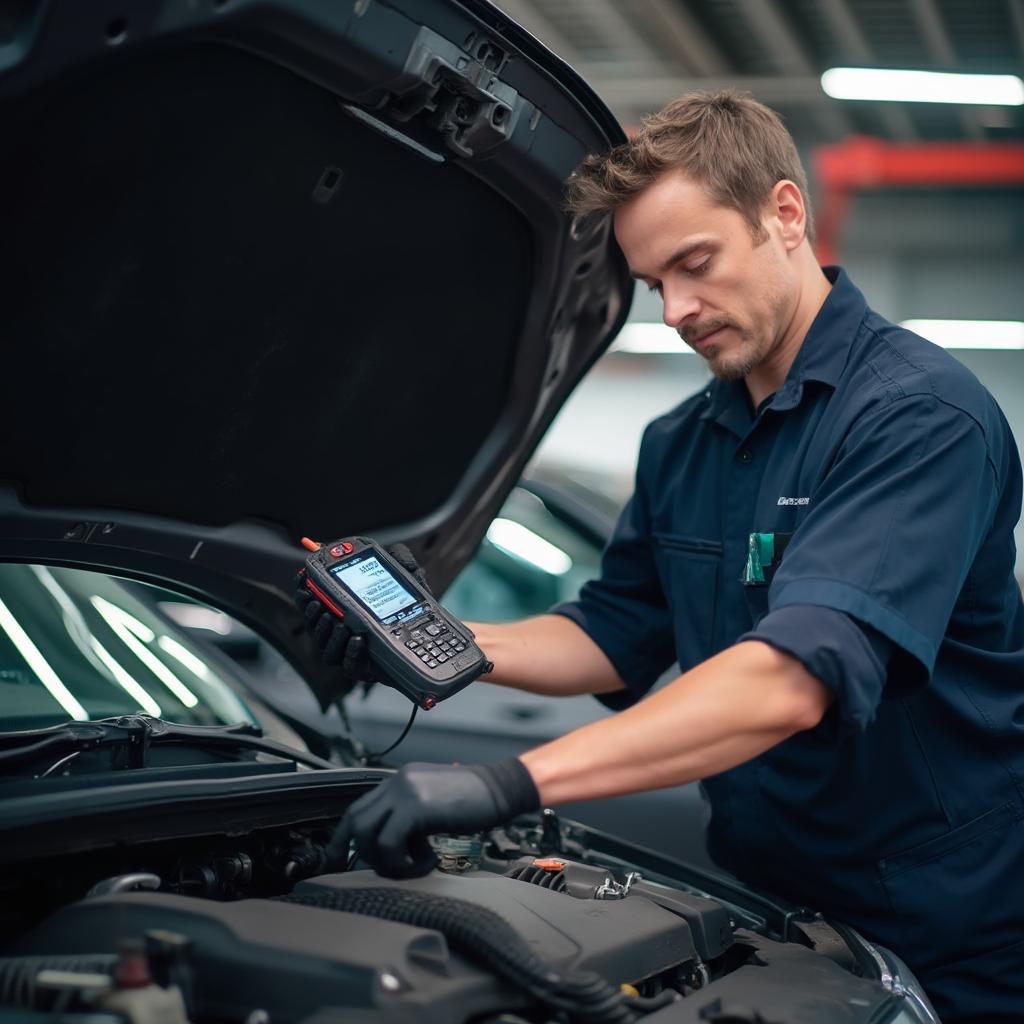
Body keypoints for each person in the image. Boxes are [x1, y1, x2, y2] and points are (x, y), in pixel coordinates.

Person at [301, 93, 1024, 1022]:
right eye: (654, 285)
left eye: (695, 264)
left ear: (786, 214)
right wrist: (433, 636)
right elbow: (614, 631)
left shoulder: (917, 416)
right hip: (769, 908)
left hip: (947, 924)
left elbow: (793, 680)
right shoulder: (684, 439)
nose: (679, 310)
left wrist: (504, 783)